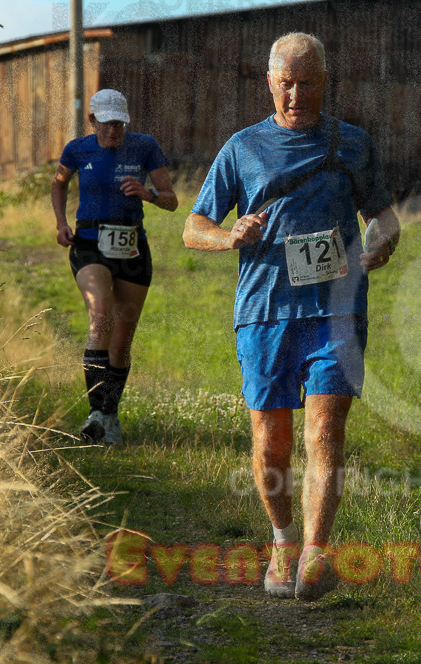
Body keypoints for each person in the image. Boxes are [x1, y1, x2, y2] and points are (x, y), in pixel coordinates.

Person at [183, 32, 400, 601]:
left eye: (307, 84)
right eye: (287, 83)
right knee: (270, 444)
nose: (296, 95)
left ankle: (314, 553)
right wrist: (228, 236)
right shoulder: (243, 148)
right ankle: (283, 542)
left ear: (324, 84)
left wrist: (381, 242)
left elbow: (385, 217)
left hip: (337, 309)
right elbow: (192, 227)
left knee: (325, 431)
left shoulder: (353, 144)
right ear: (270, 82)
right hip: (264, 312)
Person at [51, 89, 178, 445]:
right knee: (100, 316)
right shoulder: (77, 149)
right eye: (106, 124)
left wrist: (148, 194)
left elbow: (172, 200)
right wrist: (61, 222)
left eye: (119, 124)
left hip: (133, 248)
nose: (113, 131)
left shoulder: (144, 146)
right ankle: (94, 412)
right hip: (89, 244)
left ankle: (109, 415)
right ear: (92, 121)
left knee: (121, 343)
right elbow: (58, 183)